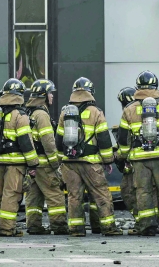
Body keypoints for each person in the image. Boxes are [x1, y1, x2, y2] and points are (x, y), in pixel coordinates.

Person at [55, 77, 121, 237]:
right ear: (90, 92)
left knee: (74, 196)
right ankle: (108, 227)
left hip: (69, 162)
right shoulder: (96, 112)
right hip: (91, 162)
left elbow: (58, 141)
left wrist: (61, 160)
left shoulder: (65, 112)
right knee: (101, 193)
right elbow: (104, 139)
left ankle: (76, 229)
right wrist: (107, 160)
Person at [118, 70, 159, 236]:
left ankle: (147, 227)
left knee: (143, 192)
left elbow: (124, 139)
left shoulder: (129, 109)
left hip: (139, 160)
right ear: (156, 86)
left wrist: (124, 156)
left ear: (137, 87)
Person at [0, 78, 39, 237]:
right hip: (15, 163)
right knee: (11, 194)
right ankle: (7, 229)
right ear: (19, 95)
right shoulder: (19, 115)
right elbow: (26, 142)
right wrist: (33, 163)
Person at [23, 79, 67, 235]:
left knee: (34, 197)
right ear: (44, 95)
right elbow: (48, 141)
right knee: (55, 194)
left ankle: (34, 226)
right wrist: (56, 164)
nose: (52, 97)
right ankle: (59, 226)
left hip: (32, 165)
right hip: (44, 164)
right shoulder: (42, 114)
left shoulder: (30, 112)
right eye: (50, 93)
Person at [115, 87, 139, 222]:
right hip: (146, 160)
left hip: (134, 161)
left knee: (128, 191)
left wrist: (118, 156)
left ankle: (142, 221)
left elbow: (125, 142)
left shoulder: (129, 113)